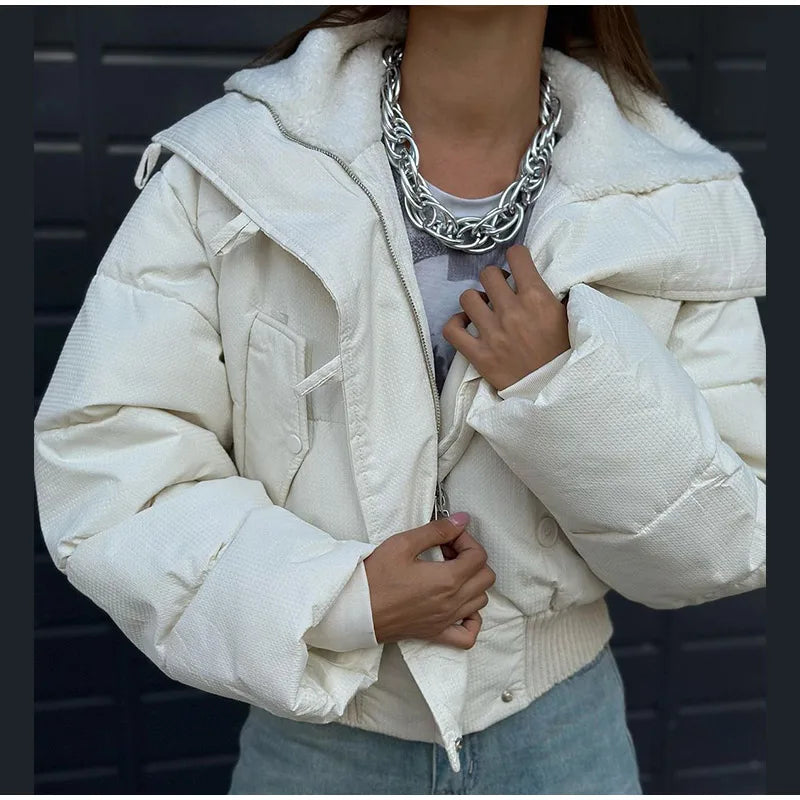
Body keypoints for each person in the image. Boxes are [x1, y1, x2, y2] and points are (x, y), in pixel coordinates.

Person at [33, 5, 766, 795]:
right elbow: (112, 462)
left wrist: (564, 383)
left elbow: (731, 537)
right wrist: (341, 599)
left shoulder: (679, 200)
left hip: (564, 746)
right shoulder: (234, 168)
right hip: (319, 751)